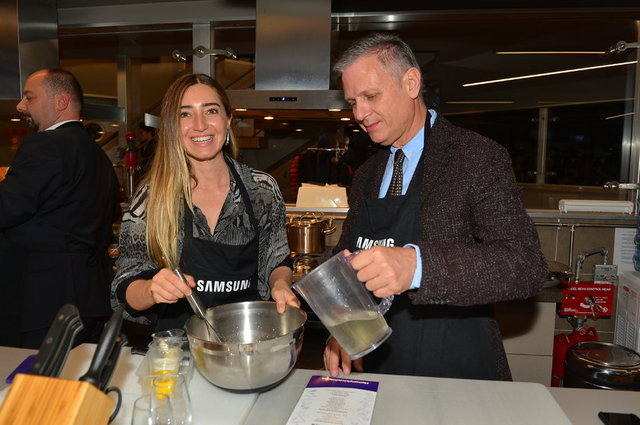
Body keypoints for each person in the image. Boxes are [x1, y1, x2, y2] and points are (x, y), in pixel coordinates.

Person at [323, 33, 548, 381]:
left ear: (411, 83)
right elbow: (348, 260)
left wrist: (417, 266)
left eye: (370, 96)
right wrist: (344, 327)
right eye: (353, 102)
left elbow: (525, 266)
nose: (359, 114)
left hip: (454, 365)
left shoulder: (475, 157)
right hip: (381, 364)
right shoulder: (367, 172)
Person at [111, 73, 299, 331]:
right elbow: (125, 284)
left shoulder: (262, 189)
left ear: (228, 119)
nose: (200, 125)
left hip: (248, 339)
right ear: (172, 127)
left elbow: (276, 260)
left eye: (211, 111)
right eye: (185, 114)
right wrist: (151, 289)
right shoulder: (152, 197)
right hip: (179, 346)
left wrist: (280, 285)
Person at [0, 68, 121, 348]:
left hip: (44, 300)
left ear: (61, 101)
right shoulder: (98, 155)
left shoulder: (45, 144)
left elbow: (7, 207)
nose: (21, 106)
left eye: (29, 97)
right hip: (90, 298)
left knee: (35, 375)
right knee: (76, 373)